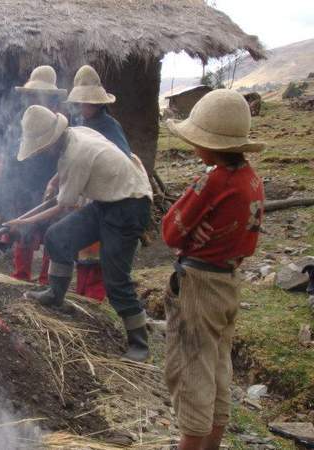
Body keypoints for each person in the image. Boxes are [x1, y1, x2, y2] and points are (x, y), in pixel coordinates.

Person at [4, 105, 153, 361]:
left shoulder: (77, 155)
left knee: (115, 277)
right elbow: (63, 178)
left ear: (51, 141)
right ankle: (55, 294)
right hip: (106, 201)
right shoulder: (74, 133)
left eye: (41, 148)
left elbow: (63, 207)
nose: (41, 153)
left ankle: (139, 343)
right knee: (58, 237)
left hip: (130, 203)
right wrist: (54, 180)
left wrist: (23, 221)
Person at [161, 89, 265, 450]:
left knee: (191, 370)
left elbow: (170, 230)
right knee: (218, 367)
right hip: (228, 280)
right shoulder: (250, 179)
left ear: (209, 145)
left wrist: (188, 231)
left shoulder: (213, 181)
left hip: (200, 284)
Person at [62, 64, 132, 301]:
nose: (83, 107)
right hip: (85, 194)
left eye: (87, 102)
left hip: (105, 196)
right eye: (81, 103)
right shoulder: (80, 123)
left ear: (98, 103)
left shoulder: (110, 128)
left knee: (95, 253)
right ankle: (81, 295)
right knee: (82, 251)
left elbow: (122, 161)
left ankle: (93, 300)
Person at [8, 65, 67, 284]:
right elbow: (14, 151)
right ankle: (20, 277)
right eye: (32, 94)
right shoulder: (21, 117)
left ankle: (45, 280)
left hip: (51, 180)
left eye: (40, 94)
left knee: (51, 233)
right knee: (23, 231)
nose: (35, 98)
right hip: (24, 180)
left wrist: (55, 183)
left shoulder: (61, 121)